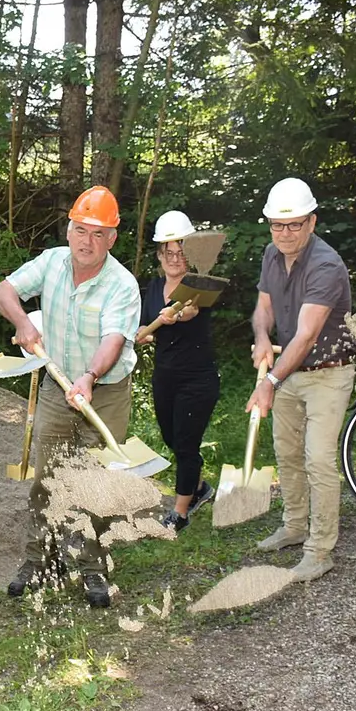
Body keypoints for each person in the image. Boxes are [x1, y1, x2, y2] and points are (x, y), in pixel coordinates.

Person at [0, 185, 142, 608]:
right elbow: (3, 291)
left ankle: (93, 567)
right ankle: (40, 558)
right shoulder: (52, 263)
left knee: (97, 480)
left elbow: (114, 340)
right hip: (58, 387)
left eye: (98, 234)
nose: (87, 241)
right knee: (46, 478)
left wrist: (91, 376)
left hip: (105, 391)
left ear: (112, 238)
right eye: (81, 230)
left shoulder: (122, 285)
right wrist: (23, 321)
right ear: (69, 229)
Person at [246, 179, 356, 583]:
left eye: (294, 224)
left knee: (319, 460)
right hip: (288, 371)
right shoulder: (271, 256)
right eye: (278, 224)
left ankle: (320, 549)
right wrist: (262, 338)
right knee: (287, 454)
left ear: (312, 222)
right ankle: (294, 527)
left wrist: (269, 382)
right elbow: (264, 308)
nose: (286, 232)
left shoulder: (326, 265)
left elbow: (308, 334)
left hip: (328, 371)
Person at [136, 211, 219, 532]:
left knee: (186, 444)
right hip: (165, 377)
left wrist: (176, 313)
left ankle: (180, 511)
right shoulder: (154, 287)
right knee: (171, 437)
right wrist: (145, 331)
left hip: (198, 379)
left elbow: (191, 310)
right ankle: (199, 487)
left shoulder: (200, 284)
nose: (175, 257)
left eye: (181, 250)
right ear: (159, 255)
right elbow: (144, 325)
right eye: (168, 251)